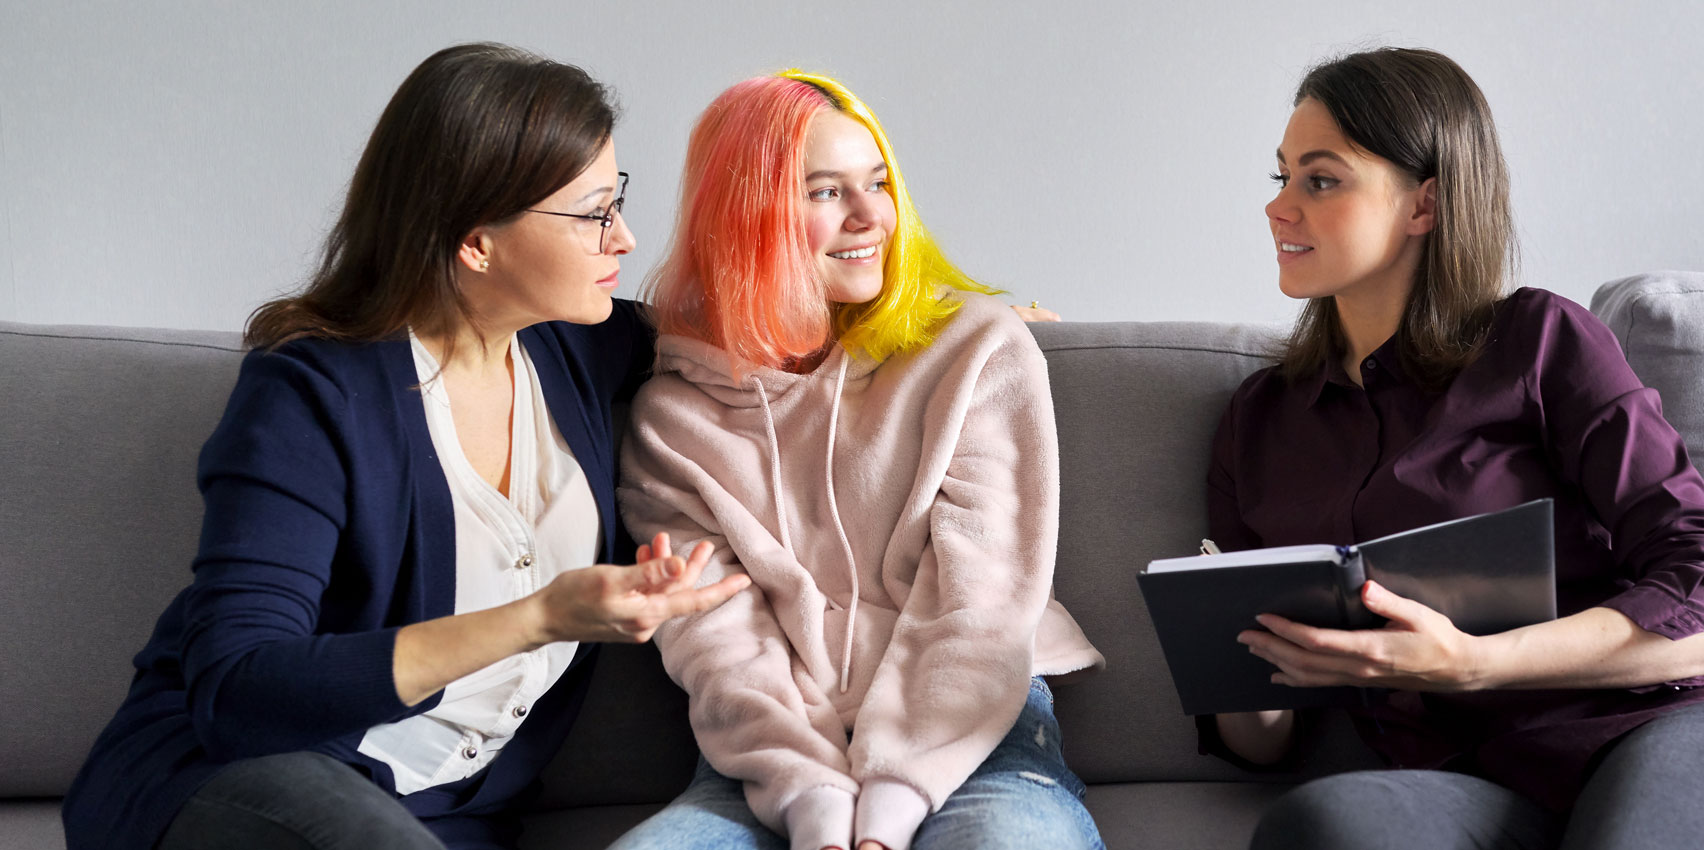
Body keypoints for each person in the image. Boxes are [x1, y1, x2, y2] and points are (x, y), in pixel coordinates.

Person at [60, 43, 751, 850]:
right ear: (476, 243)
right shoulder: (312, 395)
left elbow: (760, 322)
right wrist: (538, 617)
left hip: (450, 816)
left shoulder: (574, 349)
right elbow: (237, 689)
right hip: (243, 777)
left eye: (617, 200)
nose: (625, 239)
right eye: (594, 212)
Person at [1204, 47, 1704, 849]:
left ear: (1424, 204)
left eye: (1320, 179)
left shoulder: (1539, 341)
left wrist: (1473, 661)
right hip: (1471, 784)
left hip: (1657, 729)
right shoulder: (1261, 418)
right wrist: (1238, 658)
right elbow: (1266, 743)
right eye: (1279, 177)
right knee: (1315, 826)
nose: (1280, 208)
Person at [610, 71, 1107, 850]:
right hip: (768, 761)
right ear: (748, 214)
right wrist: (810, 801)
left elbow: (979, 594)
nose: (872, 215)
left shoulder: (973, 350)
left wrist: (892, 802)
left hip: (976, 734)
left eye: (877, 183)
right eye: (823, 192)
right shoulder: (672, 420)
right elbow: (719, 640)